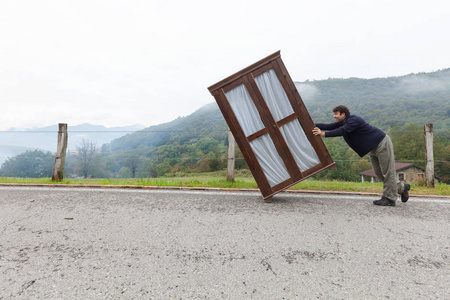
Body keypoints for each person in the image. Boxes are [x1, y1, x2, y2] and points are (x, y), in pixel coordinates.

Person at [312, 105, 410, 206]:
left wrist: (323, 134)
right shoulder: (343, 122)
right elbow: (329, 126)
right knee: (379, 173)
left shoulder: (354, 120)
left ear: (343, 114)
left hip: (382, 144)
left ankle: (389, 198)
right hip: (372, 149)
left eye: (336, 114)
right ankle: (402, 188)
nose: (334, 116)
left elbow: (342, 131)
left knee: (387, 172)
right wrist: (311, 125)